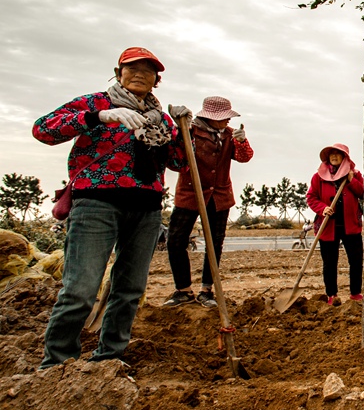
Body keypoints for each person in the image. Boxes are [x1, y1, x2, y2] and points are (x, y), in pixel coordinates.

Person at [32, 47, 188, 368]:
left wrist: (185, 132)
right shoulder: (95, 104)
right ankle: (58, 362)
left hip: (146, 209)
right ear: (118, 73)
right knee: (81, 289)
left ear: (156, 81)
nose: (139, 74)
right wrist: (98, 117)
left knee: (130, 289)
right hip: (96, 204)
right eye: (132, 68)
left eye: (148, 70)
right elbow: (43, 129)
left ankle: (109, 357)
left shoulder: (162, 119)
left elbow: (180, 163)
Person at [162, 96, 253, 308]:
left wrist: (242, 141)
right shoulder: (190, 132)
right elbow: (174, 158)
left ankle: (207, 290)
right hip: (190, 193)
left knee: (214, 244)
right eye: (224, 118)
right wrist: (178, 127)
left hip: (219, 197)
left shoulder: (229, 135)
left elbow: (244, 157)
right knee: (175, 240)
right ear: (211, 118)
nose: (227, 121)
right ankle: (183, 290)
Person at [306, 144, 364, 305]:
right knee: (330, 262)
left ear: (345, 157)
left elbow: (363, 193)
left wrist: (352, 181)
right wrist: (322, 208)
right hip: (328, 226)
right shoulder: (318, 177)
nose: (334, 156)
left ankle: (356, 293)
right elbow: (311, 197)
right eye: (331, 154)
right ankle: (332, 294)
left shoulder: (355, 175)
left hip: (351, 225)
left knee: (356, 260)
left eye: (338, 154)